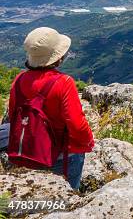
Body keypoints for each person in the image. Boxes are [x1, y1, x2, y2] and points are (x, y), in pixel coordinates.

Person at [8, 27, 94, 190]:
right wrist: (88, 143)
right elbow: (77, 125)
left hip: (28, 152)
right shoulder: (64, 83)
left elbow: (13, 115)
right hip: (61, 158)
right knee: (65, 204)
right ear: (57, 58)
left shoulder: (18, 81)